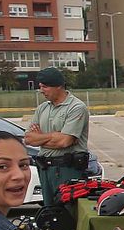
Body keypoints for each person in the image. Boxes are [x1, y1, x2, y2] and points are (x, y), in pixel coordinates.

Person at [23, 67, 90, 207]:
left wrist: (40, 138)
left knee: (67, 211)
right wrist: (54, 136)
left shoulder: (76, 107)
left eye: (45, 87)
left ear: (59, 86)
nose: (41, 90)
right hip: (46, 169)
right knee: (49, 211)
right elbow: (29, 139)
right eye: (40, 86)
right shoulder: (42, 108)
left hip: (67, 170)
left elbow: (65, 141)